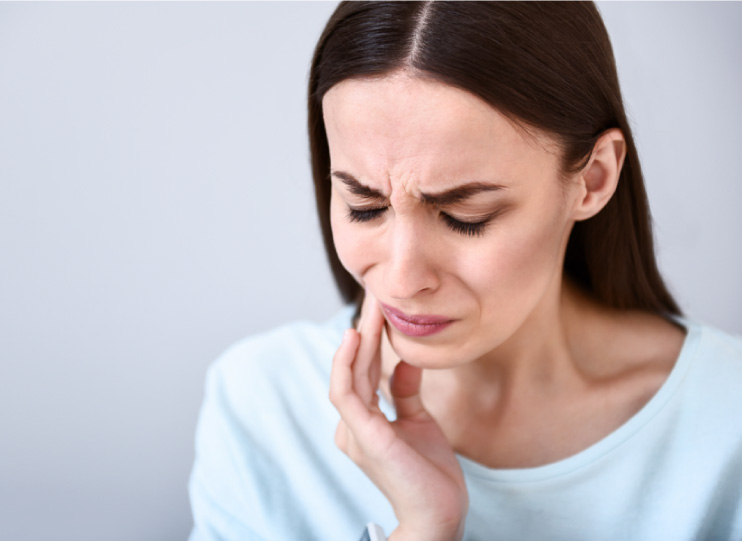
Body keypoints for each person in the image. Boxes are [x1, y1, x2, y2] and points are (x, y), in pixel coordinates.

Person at [188, 2, 742, 540]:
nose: (402, 280)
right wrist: (426, 530)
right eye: (364, 206)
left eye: (464, 217)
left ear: (592, 179)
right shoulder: (261, 405)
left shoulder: (726, 421)